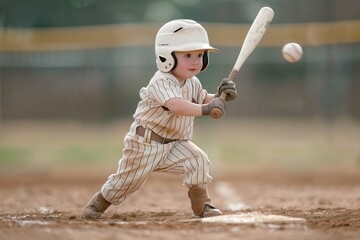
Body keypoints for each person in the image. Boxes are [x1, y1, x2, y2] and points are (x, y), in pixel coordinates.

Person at [83, 19, 237, 219]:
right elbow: (177, 105)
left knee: (198, 160)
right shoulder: (161, 81)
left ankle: (203, 206)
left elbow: (202, 99)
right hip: (145, 144)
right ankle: (98, 204)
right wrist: (207, 109)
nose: (195, 61)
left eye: (199, 55)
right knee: (128, 181)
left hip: (174, 144)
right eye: (187, 55)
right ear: (167, 56)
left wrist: (220, 96)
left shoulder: (193, 82)